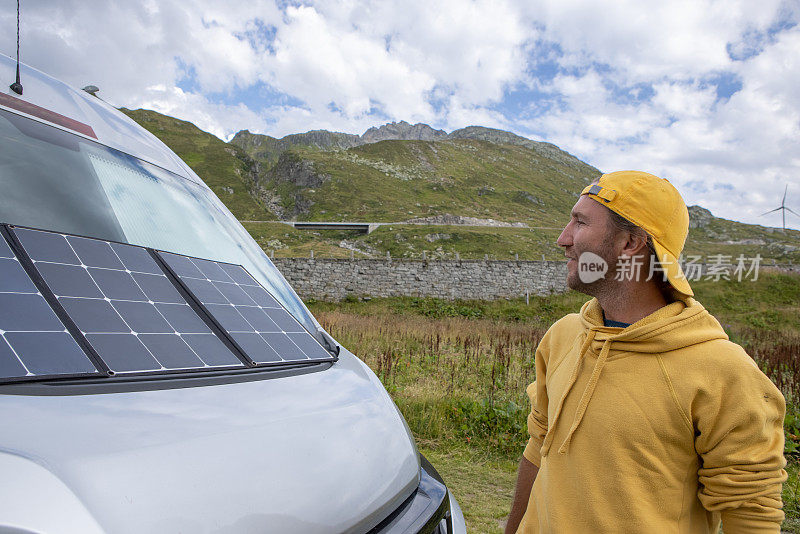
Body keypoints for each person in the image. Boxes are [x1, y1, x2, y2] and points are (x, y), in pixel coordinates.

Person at [505, 171, 787, 534]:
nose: (563, 239)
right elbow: (538, 446)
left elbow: (751, 514)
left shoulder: (724, 371)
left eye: (579, 222)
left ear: (629, 244)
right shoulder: (563, 336)